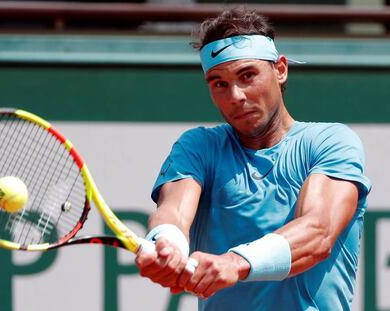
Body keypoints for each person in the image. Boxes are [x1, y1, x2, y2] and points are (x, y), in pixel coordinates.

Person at [135, 7, 371, 311]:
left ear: (280, 69)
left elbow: (318, 232)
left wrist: (236, 263)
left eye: (247, 76)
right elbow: (173, 212)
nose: (235, 96)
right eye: (219, 83)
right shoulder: (199, 146)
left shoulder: (331, 142)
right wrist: (169, 244)